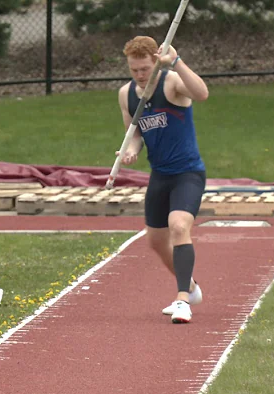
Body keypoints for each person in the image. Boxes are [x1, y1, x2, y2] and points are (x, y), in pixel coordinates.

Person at [116, 35, 209, 324]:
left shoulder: (171, 83)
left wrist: (177, 62)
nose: (140, 75)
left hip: (187, 173)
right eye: (134, 70)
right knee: (156, 241)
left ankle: (182, 300)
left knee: (179, 225)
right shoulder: (126, 94)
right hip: (160, 176)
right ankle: (191, 288)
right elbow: (135, 132)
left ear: (156, 61)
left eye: (145, 68)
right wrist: (130, 152)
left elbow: (202, 93)